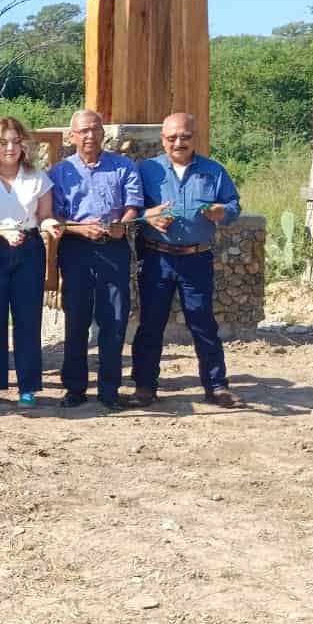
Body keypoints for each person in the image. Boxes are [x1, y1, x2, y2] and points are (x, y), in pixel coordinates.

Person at [130, 112, 244, 408]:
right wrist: (149, 217)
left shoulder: (213, 171)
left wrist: (222, 212)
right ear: (162, 139)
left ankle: (217, 386)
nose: (178, 142)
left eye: (185, 137)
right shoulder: (147, 170)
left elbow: (233, 206)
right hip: (157, 258)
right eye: (171, 138)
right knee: (151, 324)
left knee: (203, 323)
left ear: (195, 137)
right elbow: (131, 210)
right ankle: (144, 386)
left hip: (196, 258)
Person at [49, 109, 142, 411]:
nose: (90, 136)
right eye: (83, 131)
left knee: (113, 319)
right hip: (76, 249)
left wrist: (122, 224)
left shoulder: (123, 167)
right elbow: (55, 215)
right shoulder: (60, 172)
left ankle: (110, 390)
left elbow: (133, 205)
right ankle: (74, 388)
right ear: (72, 136)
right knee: (76, 319)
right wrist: (78, 228)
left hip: (113, 248)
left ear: (103, 133)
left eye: (95, 129)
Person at [0, 116, 63, 407]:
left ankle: (28, 387)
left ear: (24, 144)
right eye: (3, 142)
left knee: (27, 319)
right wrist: (3, 232)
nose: (10, 147)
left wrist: (49, 225)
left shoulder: (38, 177)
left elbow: (45, 215)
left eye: (15, 141)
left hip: (29, 250)